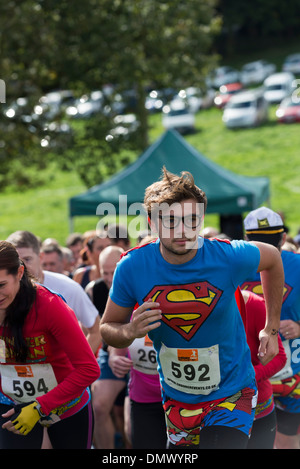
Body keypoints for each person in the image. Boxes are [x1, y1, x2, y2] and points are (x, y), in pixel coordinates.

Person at [100, 167, 284, 449]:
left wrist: (270, 329)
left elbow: (272, 259)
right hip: (178, 400)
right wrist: (129, 330)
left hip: (232, 393)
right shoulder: (132, 266)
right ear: (151, 222)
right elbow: (107, 329)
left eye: (191, 220)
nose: (183, 231)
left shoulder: (226, 256)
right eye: (171, 221)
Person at [0, 241, 100, 449]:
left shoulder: (50, 306)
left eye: (1, 286)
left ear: (19, 273)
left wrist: (39, 406)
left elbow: (89, 369)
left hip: (66, 407)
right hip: (12, 405)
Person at [242, 206, 300, 449]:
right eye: (258, 242)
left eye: (268, 242)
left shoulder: (297, 264)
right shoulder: (231, 267)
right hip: (249, 375)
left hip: (288, 375)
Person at [6, 231, 101, 356]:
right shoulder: (3, 292)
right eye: (16, 261)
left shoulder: (67, 287)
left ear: (40, 257)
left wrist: (78, 365)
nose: (21, 266)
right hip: (17, 371)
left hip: (61, 372)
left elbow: (96, 329)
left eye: (27, 259)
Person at [86, 245, 129, 449]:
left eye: (115, 271)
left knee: (128, 418)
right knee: (99, 406)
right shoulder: (95, 289)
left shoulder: (138, 283)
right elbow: (88, 328)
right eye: (105, 272)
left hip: (142, 353)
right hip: (109, 352)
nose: (111, 278)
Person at [240, 289, 286, 449]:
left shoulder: (254, 305)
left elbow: (280, 357)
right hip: (198, 409)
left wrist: (246, 377)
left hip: (257, 408)